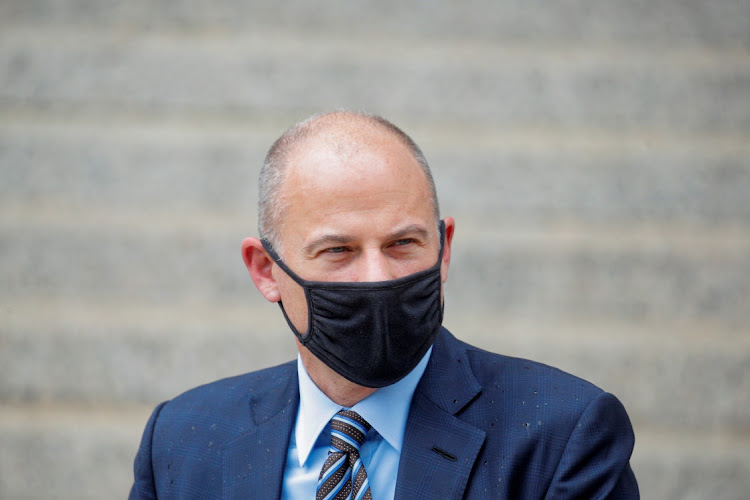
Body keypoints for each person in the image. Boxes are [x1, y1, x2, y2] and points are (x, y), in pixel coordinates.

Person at [129, 111, 639, 499]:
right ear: (266, 271)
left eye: (402, 244)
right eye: (338, 250)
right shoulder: (182, 440)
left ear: (443, 251)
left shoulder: (563, 434)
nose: (377, 278)